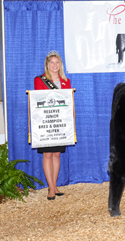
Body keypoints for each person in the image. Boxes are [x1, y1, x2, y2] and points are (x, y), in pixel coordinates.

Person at [34, 50, 72, 200]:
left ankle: (54, 186)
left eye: (57, 62)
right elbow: (39, 100)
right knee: (47, 154)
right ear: (47, 65)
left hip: (60, 122)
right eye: (52, 63)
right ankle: (50, 188)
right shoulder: (40, 80)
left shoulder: (66, 81)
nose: (55, 65)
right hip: (46, 122)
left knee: (57, 154)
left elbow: (68, 102)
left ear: (60, 65)